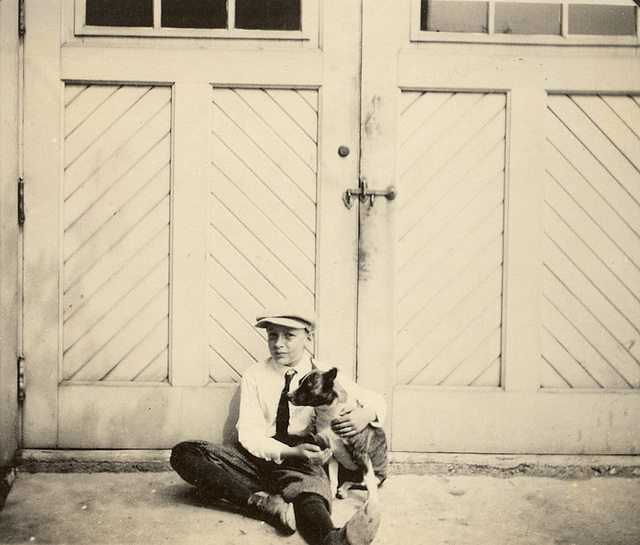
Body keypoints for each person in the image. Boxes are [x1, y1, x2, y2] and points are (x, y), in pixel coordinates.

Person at [170, 304, 387, 545]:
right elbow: (250, 434)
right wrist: (286, 450)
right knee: (185, 453)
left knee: (311, 496)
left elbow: (373, 398)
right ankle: (264, 506)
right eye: (272, 334)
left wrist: (367, 413)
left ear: (309, 337)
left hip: (301, 460)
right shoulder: (255, 374)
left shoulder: (321, 375)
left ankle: (333, 540)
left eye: (289, 336)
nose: (278, 343)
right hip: (256, 456)